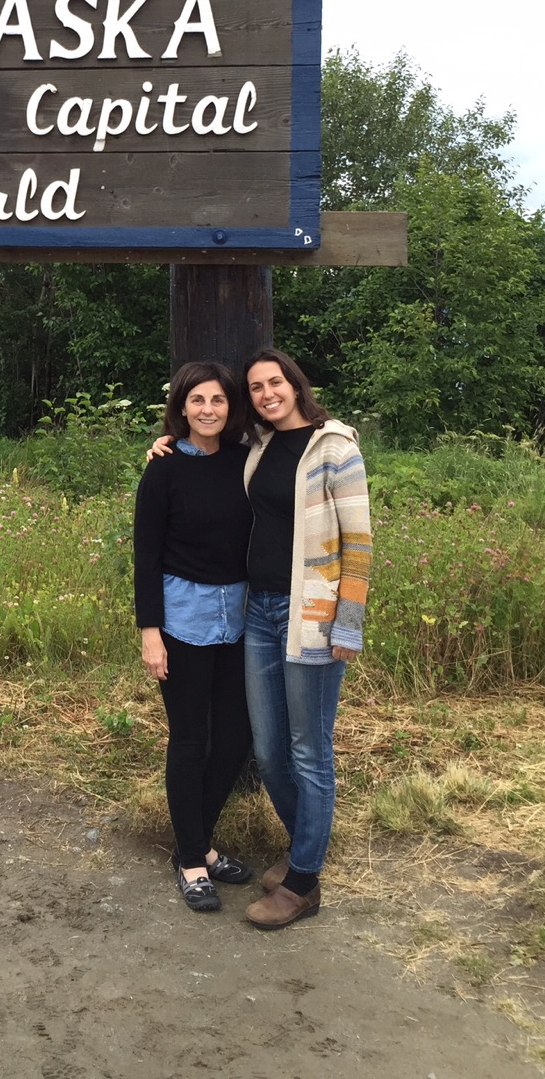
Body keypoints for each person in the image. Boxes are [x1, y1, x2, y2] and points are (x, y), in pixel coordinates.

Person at [236, 348, 373, 931]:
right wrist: (163, 447)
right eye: (256, 388)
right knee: (269, 752)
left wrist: (349, 622)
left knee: (309, 752)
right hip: (260, 614)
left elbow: (359, 543)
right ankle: (305, 854)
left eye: (275, 382)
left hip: (311, 616)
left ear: (295, 384)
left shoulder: (336, 447)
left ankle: (303, 882)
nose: (267, 393)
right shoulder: (261, 447)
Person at [133, 360, 255, 914]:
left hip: (240, 617)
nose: (208, 409)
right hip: (182, 619)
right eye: (197, 399)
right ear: (181, 406)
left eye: (219, 400)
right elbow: (146, 556)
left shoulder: (247, 459)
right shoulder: (162, 469)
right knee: (189, 739)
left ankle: (198, 841)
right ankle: (190, 860)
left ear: (232, 408)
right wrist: (150, 634)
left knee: (234, 738)